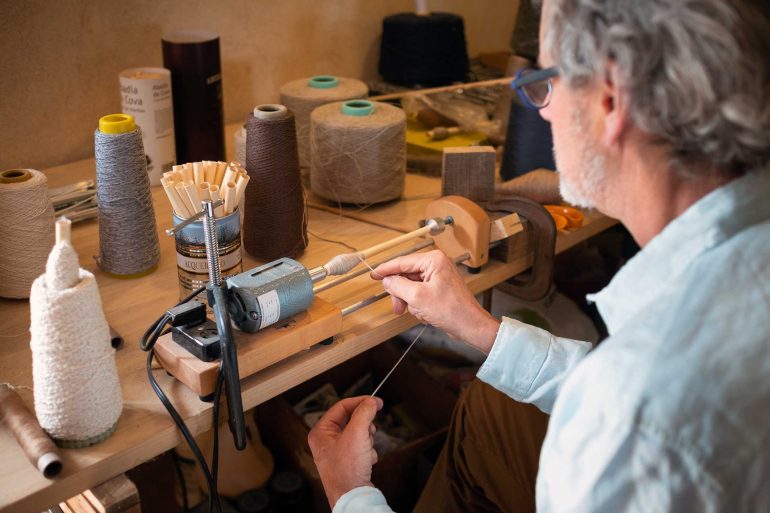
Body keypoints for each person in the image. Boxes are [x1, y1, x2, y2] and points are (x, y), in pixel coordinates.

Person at [308, 0, 770, 511]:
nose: (542, 109)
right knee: (494, 401)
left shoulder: (639, 417)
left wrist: (349, 493)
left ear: (610, 99)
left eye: (543, 84)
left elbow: (626, 406)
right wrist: (481, 330)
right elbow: (599, 391)